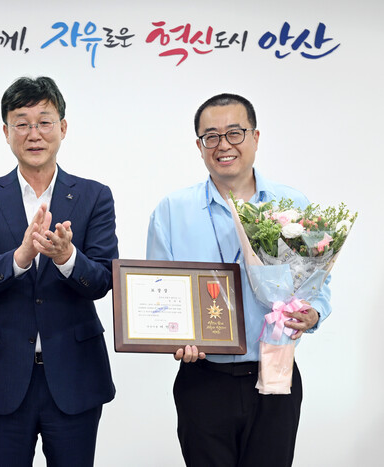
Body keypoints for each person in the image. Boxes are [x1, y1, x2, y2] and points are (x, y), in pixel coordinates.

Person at [146, 93, 331, 467]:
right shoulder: (172, 211)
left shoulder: (292, 204)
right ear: (199, 146)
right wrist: (172, 336)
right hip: (202, 378)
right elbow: (157, 293)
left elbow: (319, 284)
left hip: (275, 373)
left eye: (235, 133)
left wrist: (313, 314)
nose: (223, 145)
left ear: (255, 137)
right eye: (211, 136)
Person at [0, 76, 117, 467]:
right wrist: (21, 256)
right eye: (22, 123)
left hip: (75, 374)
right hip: (0, 376)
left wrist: (66, 257)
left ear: (63, 127)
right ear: (6, 132)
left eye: (44, 122)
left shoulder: (94, 195)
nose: (34, 133)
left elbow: (103, 280)